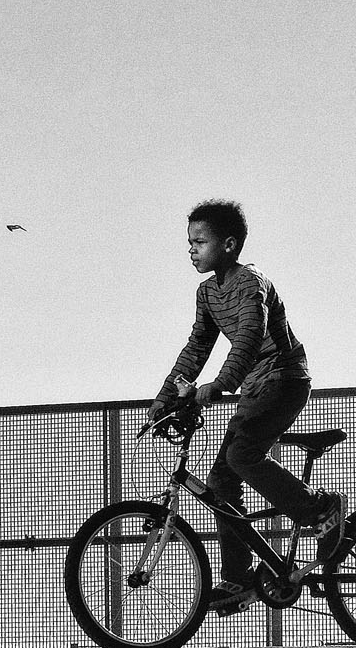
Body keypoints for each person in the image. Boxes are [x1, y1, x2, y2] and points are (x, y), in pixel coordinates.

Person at [148, 200, 345, 616]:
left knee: (242, 455)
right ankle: (238, 578)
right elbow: (198, 346)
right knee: (220, 482)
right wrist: (164, 398)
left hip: (285, 380)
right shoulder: (206, 292)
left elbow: (250, 338)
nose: (191, 250)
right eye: (189, 242)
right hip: (256, 387)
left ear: (230, 245)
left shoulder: (251, 283)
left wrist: (220, 385)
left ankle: (321, 508)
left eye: (200, 241)